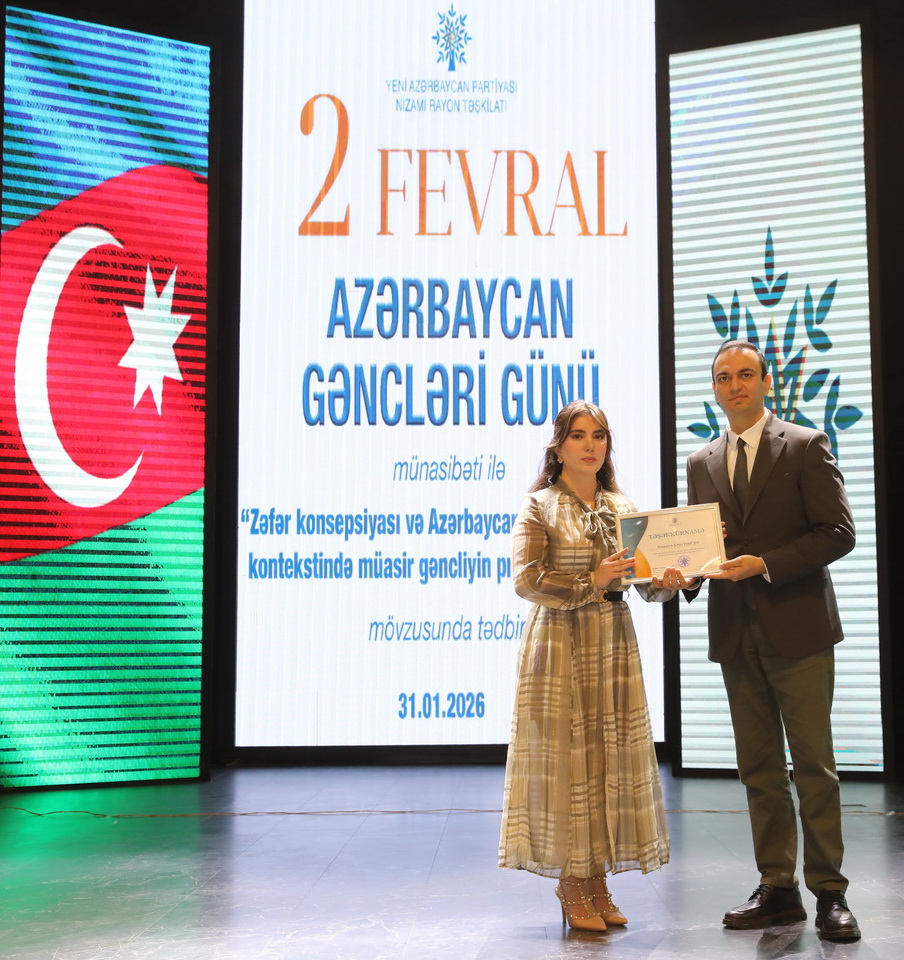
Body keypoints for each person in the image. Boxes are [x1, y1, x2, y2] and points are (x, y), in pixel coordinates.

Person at [657, 340, 859, 941]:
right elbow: (704, 547)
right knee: (759, 768)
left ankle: (830, 892)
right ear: (714, 389)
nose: (735, 385)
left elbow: (838, 533)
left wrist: (765, 564)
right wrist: (682, 574)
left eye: (745, 374)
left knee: (814, 766)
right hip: (734, 633)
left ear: (766, 382)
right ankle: (778, 887)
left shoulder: (805, 444)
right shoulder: (701, 461)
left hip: (798, 628)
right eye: (724, 377)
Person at [499, 400, 671, 932]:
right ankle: (571, 881)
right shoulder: (539, 506)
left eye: (599, 435)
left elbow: (646, 584)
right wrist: (591, 581)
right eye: (578, 435)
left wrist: (674, 578)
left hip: (613, 642)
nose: (590, 445)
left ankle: (596, 879)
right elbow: (526, 580)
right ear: (558, 446)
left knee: (607, 760)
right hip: (559, 643)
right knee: (569, 762)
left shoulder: (624, 506)